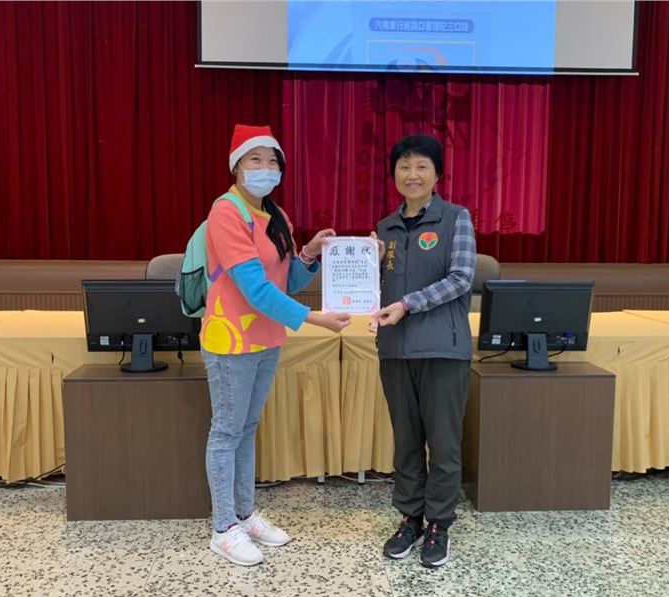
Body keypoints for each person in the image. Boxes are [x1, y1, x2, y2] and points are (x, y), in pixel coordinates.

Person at [201, 124, 351, 567]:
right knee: (226, 432)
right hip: (230, 339)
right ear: (236, 166)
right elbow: (254, 289)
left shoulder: (277, 215)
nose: (265, 168)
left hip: (266, 337)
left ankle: (245, 514)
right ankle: (223, 528)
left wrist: (310, 253)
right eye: (256, 160)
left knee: (247, 428)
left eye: (273, 161)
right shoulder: (226, 212)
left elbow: (286, 281)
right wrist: (315, 319)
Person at [371, 134, 476, 568]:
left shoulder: (456, 218)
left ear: (436, 175)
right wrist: (368, 265)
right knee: (406, 443)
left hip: (443, 350)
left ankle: (439, 524)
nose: (411, 174)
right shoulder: (384, 229)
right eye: (403, 166)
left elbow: (461, 278)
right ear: (393, 174)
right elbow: (375, 291)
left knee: (444, 443)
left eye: (421, 166)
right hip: (395, 350)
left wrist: (407, 304)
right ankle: (410, 518)